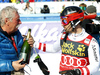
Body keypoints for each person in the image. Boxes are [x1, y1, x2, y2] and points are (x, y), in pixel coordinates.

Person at [33, 6, 99, 75]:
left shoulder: (91, 42)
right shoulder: (63, 35)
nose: (62, 24)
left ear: (74, 21)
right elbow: (53, 48)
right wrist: (34, 44)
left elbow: (95, 66)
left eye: (64, 21)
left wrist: (76, 72)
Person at [0, 6, 34, 75]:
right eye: (17, 20)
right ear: (7, 21)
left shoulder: (17, 34)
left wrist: (30, 47)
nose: (20, 22)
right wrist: (11, 65)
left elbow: (25, 57)